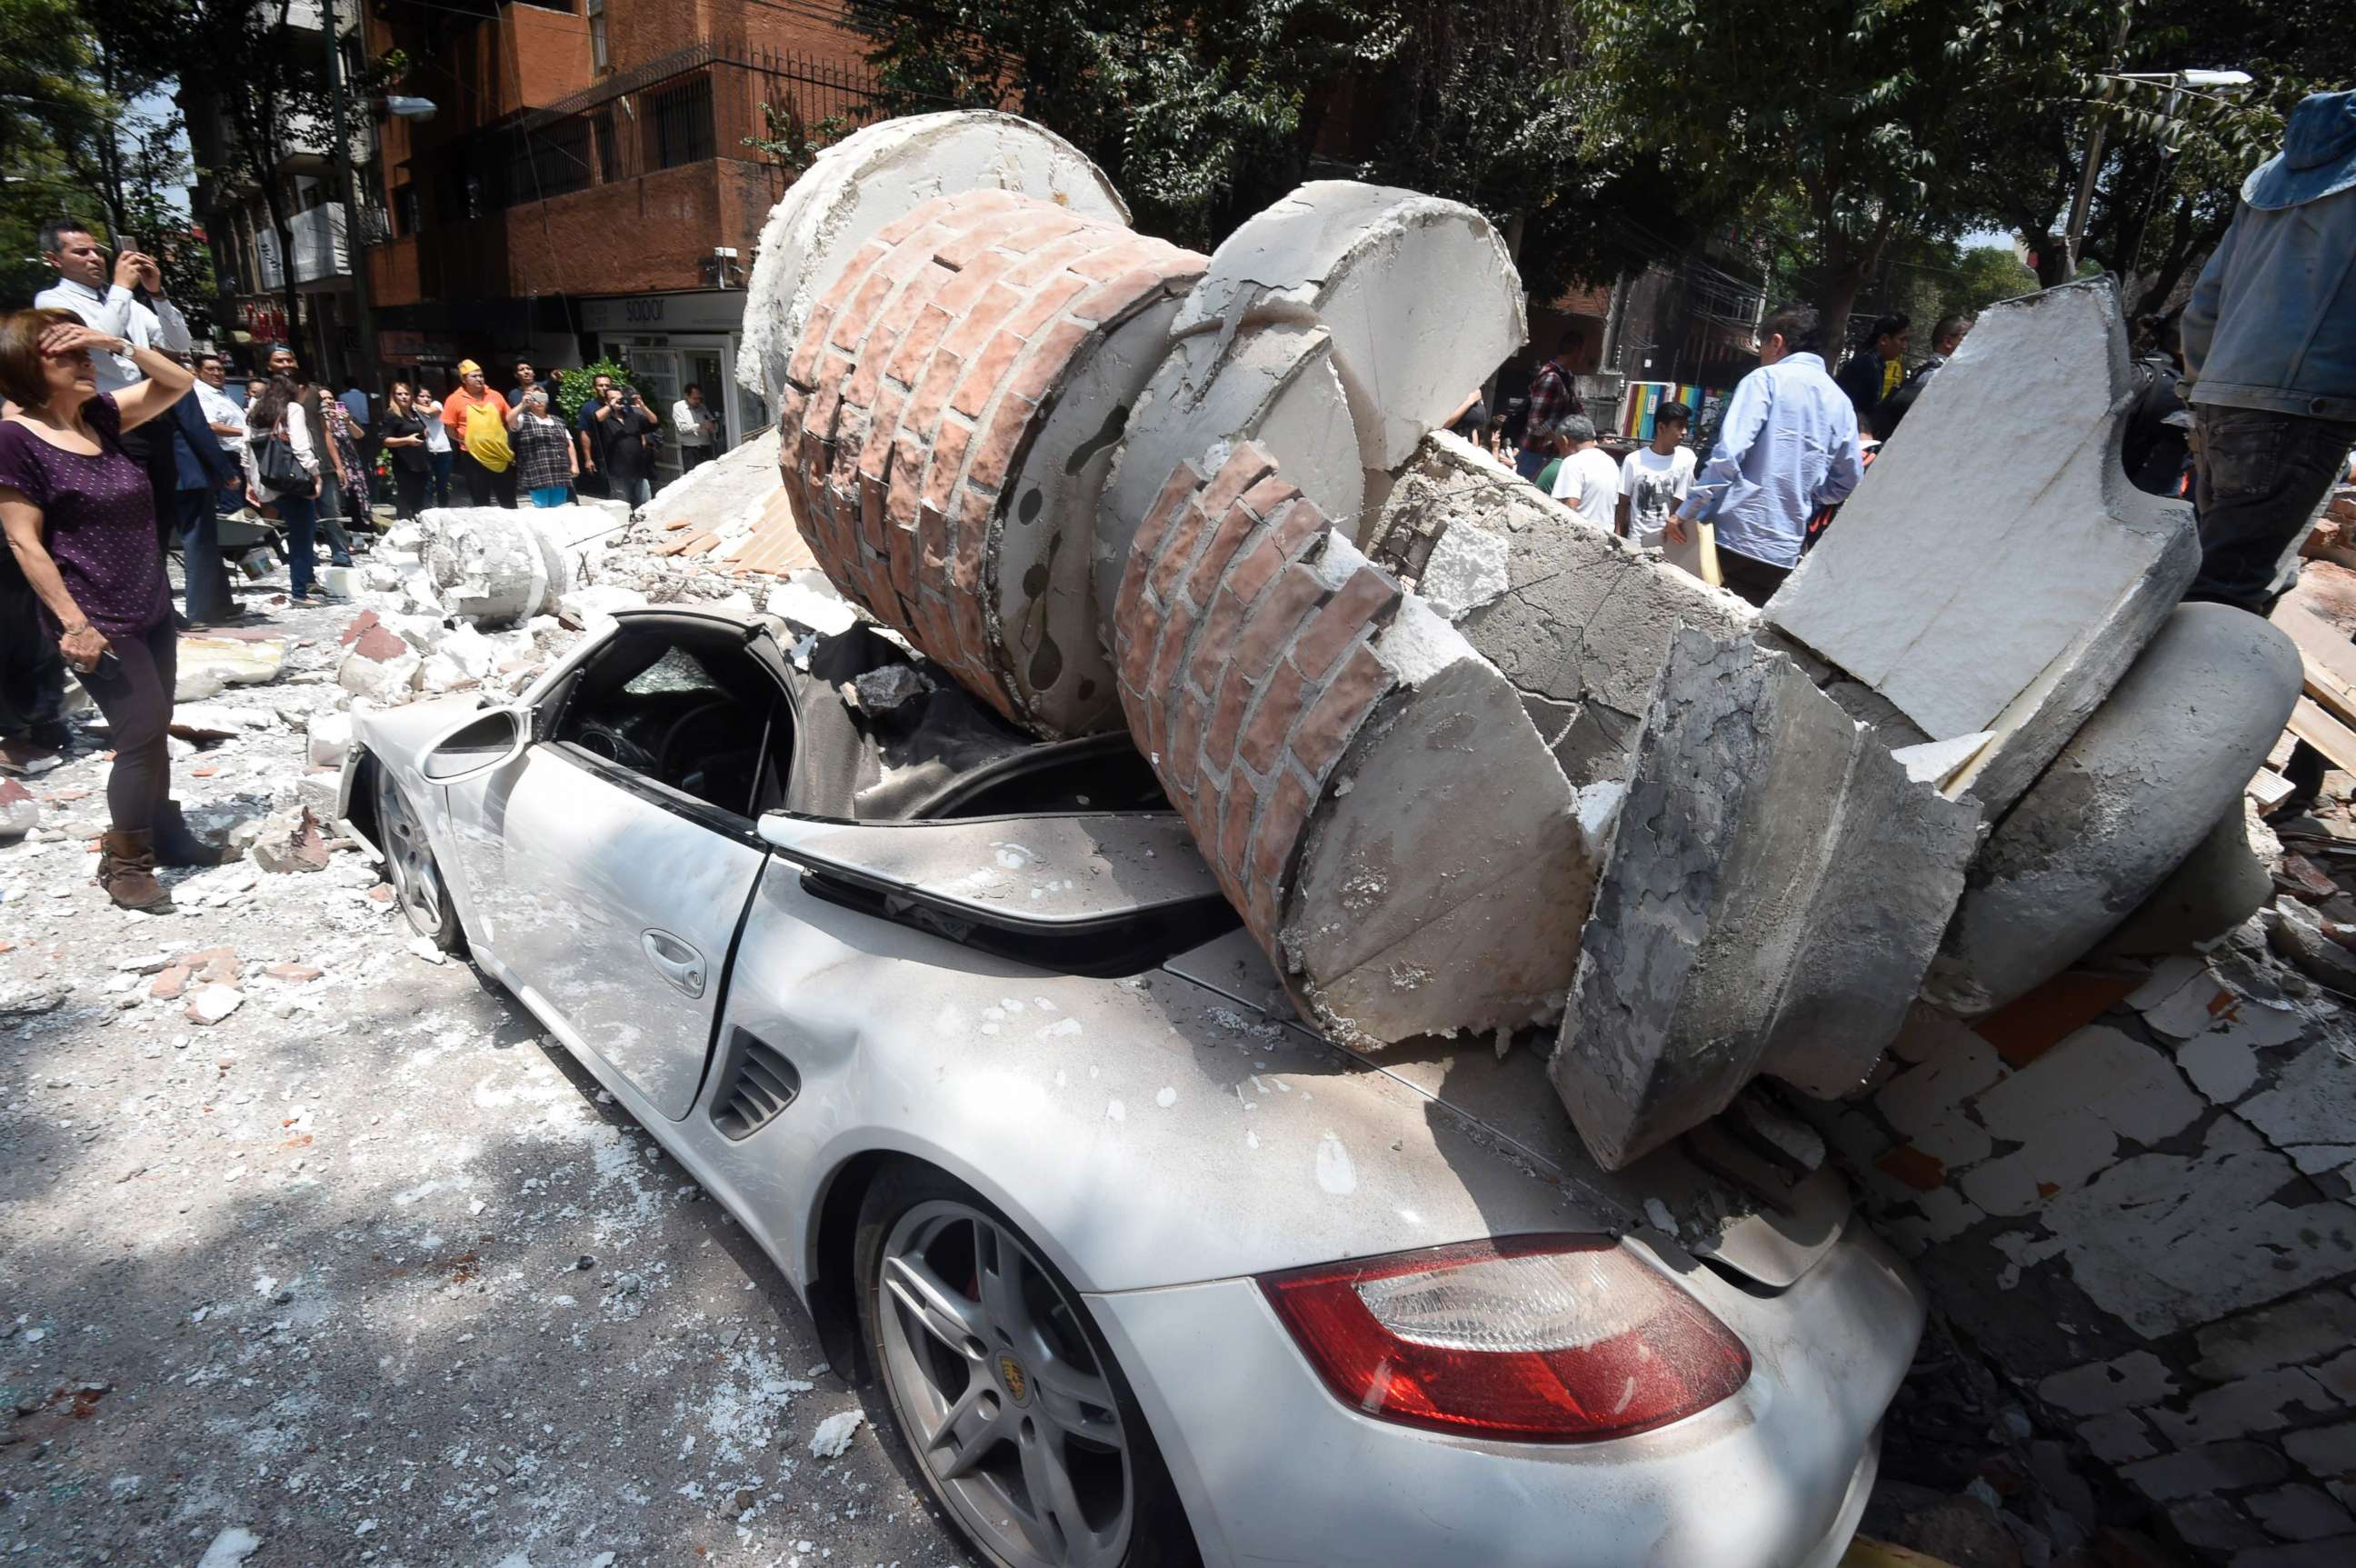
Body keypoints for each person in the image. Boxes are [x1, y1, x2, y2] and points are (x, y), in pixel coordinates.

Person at [0, 308, 230, 907]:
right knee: (139, 731)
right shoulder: (14, 439)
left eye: (85, 353)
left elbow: (178, 385)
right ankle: (125, 862)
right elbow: (24, 540)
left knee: (153, 727)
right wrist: (73, 623)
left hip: (149, 601)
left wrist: (116, 342)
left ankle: (167, 832)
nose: (84, 363)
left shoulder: (98, 417)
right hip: (93, 617)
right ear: (28, 366)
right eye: (67, 355)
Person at [2181, 88, 2356, 614]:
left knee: (2215, 572)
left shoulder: (2273, 178)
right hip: (2303, 409)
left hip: (2221, 399)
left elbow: (2205, 300)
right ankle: (2186, 697)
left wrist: (2199, 388)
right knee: (2225, 593)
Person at [1669, 305, 1865, 607]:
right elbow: (1850, 479)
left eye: (1761, 347)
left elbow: (1728, 457)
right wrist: (1812, 494)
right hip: (1782, 553)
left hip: (1728, 538)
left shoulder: (1765, 379)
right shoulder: (1840, 402)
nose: (1761, 355)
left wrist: (1686, 512)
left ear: (1776, 342)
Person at [161, 365, 243, 625]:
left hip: (160, 472)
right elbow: (198, 428)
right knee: (200, 542)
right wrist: (225, 470)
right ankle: (202, 609)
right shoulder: (177, 384)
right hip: (189, 473)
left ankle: (219, 602)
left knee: (178, 543)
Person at [243, 373, 327, 605]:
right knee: (302, 537)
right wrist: (316, 476)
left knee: (297, 531)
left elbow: (246, 449)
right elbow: (301, 448)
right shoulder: (292, 409)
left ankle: (306, 582)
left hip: (267, 482)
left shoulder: (255, 410)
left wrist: (250, 481)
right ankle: (301, 592)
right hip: (293, 483)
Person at [266, 346, 354, 566]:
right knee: (301, 518)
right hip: (290, 469)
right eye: (279, 361)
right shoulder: (267, 397)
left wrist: (338, 465)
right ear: (270, 366)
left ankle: (341, 556)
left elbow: (325, 431)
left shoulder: (313, 392)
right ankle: (306, 558)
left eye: (289, 360)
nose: (285, 364)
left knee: (332, 514)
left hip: (322, 465)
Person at [1617, 401, 1697, 547]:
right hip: (1637, 542)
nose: (1685, 432)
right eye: (1680, 426)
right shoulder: (1634, 460)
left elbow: (1687, 497)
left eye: (1687, 427)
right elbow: (1623, 503)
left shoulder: (1688, 458)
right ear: (1661, 427)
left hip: (1672, 543)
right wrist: (1618, 537)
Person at [442, 360, 515, 506]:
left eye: (481, 376)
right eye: (474, 376)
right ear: (464, 379)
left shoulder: (495, 395)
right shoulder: (454, 399)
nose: (479, 379)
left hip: (498, 454)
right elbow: (449, 428)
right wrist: (464, 440)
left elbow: (508, 419)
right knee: (481, 501)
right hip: (472, 456)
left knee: (508, 501)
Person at [1518, 330, 1584, 481]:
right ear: (1577, 350)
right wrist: (1558, 440)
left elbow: (1576, 410)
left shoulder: (1567, 377)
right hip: (1536, 453)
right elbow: (1535, 420)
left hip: (1550, 454)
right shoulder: (1551, 378)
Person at [594, 383, 661, 509]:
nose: (617, 401)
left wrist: (642, 406)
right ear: (606, 401)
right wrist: (611, 405)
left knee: (646, 506)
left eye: (619, 398)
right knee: (622, 508)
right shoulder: (605, 418)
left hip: (639, 470)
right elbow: (596, 418)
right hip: (618, 472)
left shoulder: (632, 416)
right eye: (612, 398)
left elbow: (654, 422)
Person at [1835, 314, 1911, 422]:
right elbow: (1851, 409)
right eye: (1902, 339)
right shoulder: (1864, 366)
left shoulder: (1875, 365)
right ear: (1884, 339)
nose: (1904, 346)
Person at [1549, 415, 1621, 528]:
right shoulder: (1610, 462)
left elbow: (1569, 506)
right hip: (1605, 538)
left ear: (1564, 440)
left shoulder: (1572, 462)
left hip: (1581, 538)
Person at [512, 387, 579, 506]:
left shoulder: (558, 421)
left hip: (560, 471)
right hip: (537, 471)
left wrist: (574, 464)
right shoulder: (523, 419)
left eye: (542, 398)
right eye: (535, 398)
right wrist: (522, 404)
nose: (539, 401)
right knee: (540, 508)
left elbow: (569, 443)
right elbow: (510, 420)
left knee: (560, 507)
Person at [380, 382, 432, 521]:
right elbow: (386, 440)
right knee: (405, 496)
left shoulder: (413, 412)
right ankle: (404, 525)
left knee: (420, 498)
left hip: (420, 461)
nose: (403, 397)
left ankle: (419, 525)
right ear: (393, 396)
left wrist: (423, 433)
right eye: (399, 394)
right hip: (404, 462)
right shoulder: (392, 415)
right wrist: (407, 440)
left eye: (406, 394)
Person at [575, 371, 616, 496]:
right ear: (594, 388)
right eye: (600, 385)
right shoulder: (588, 407)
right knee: (610, 492)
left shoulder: (620, 404)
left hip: (621, 455)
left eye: (607, 385)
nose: (604, 388)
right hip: (602, 456)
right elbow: (585, 433)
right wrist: (588, 459)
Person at [414, 383, 453, 507]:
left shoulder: (436, 405)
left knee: (442, 485)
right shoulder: (412, 411)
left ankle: (443, 510)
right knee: (427, 485)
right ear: (416, 397)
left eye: (428, 397)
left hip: (443, 451)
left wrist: (413, 404)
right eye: (422, 396)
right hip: (426, 451)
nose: (426, 399)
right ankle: (427, 511)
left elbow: (431, 413)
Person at [671, 383, 718, 470]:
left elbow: (712, 422)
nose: (697, 401)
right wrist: (700, 426)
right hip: (690, 449)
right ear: (687, 396)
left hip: (705, 447)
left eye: (699, 398)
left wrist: (713, 426)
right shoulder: (679, 407)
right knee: (691, 476)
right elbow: (681, 429)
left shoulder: (702, 407)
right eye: (694, 398)